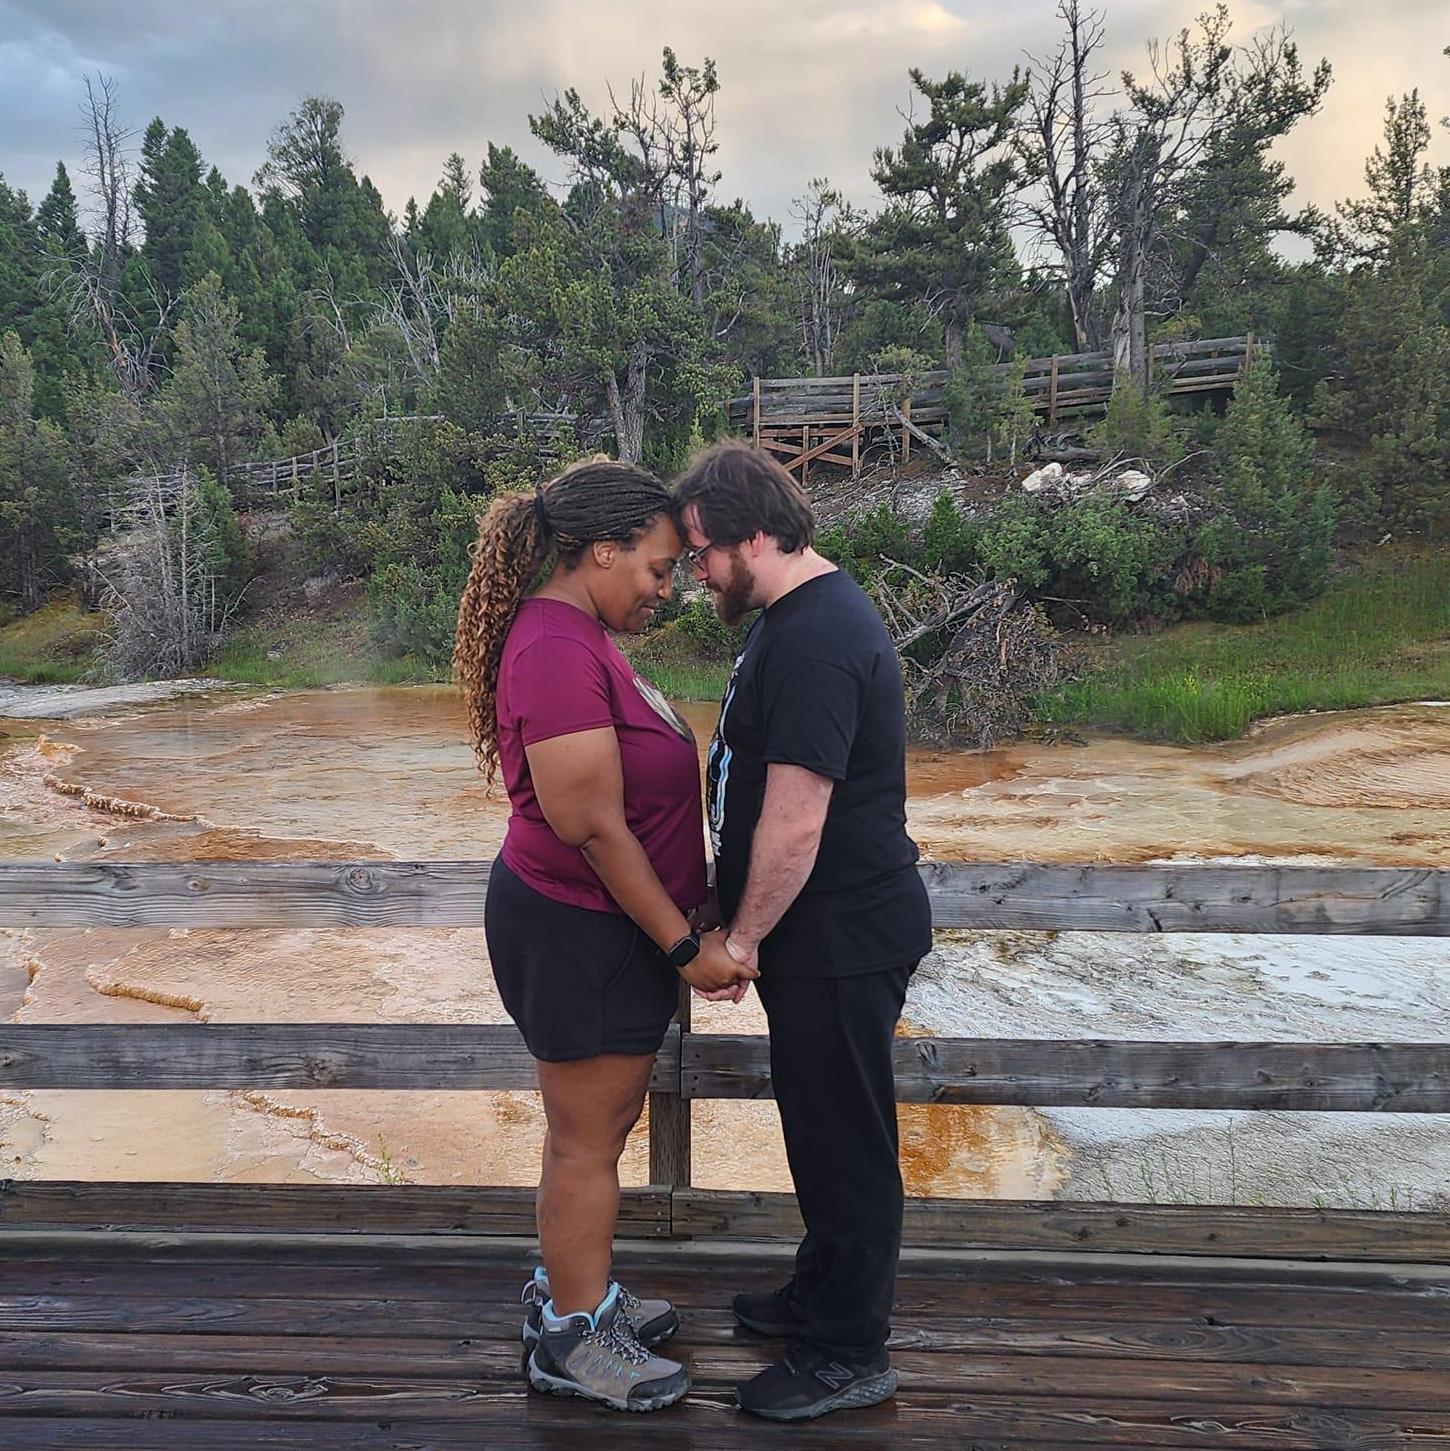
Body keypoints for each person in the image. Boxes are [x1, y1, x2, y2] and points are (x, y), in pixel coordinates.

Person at [455, 457, 757, 1414]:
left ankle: (577, 1292)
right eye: (657, 568)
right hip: (577, 931)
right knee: (587, 1141)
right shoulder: (552, 647)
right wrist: (684, 947)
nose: (666, 589)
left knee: (597, 1131)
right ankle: (572, 1337)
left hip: (600, 930)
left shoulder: (580, 636)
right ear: (600, 550)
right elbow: (589, 824)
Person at [673, 440, 932, 1422]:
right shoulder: (792, 620)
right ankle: (821, 1291)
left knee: (846, 1142)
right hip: (819, 935)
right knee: (818, 1127)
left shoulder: (821, 634)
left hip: (844, 934)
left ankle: (848, 1350)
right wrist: (727, 900)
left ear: (751, 534)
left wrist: (741, 939)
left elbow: (796, 818)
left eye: (701, 551)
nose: (696, 572)